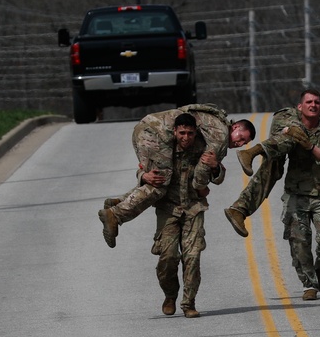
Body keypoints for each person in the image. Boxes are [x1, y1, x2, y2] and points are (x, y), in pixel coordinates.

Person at [225, 88, 320, 300]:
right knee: (299, 241)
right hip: (296, 192)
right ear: (300, 106)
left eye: (317, 102)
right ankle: (308, 284)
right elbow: (292, 134)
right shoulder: (290, 119)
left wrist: (310, 145)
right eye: (309, 102)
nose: (313, 105)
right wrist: (300, 139)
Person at [98, 105, 255, 248]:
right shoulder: (221, 135)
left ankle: (122, 202)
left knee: (156, 177)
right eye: (240, 137)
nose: (240, 144)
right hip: (155, 134)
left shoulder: (215, 124)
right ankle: (115, 215)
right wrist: (200, 188)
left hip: (147, 128)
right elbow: (203, 166)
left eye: (244, 143)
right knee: (160, 183)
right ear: (234, 127)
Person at [150, 113, 221, 318]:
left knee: (192, 256)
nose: (186, 137)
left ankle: (188, 302)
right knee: (168, 257)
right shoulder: (164, 149)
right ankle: (170, 294)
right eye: (182, 133)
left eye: (190, 133)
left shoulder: (203, 148)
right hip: (168, 209)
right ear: (174, 132)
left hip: (193, 208)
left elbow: (219, 177)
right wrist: (143, 176)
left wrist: (215, 166)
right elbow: (144, 170)